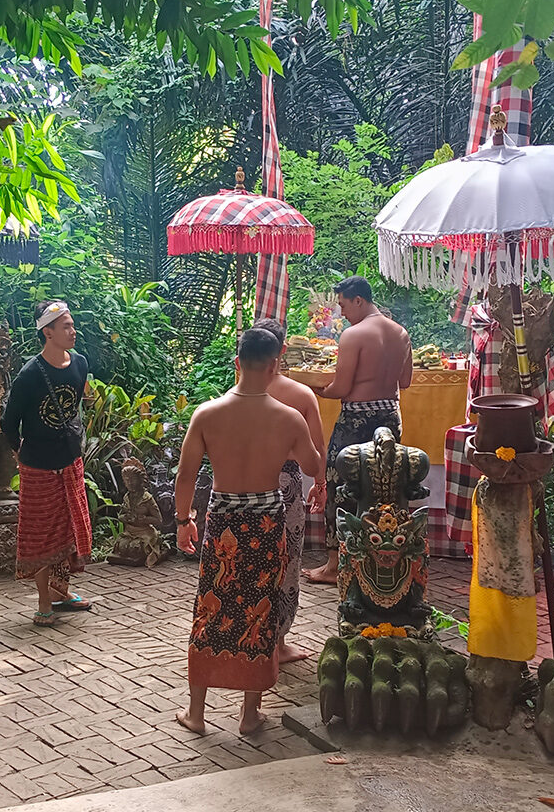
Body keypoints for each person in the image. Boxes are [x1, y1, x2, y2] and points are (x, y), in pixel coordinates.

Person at [175, 327, 323, 736]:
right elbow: (312, 466)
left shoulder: (206, 414)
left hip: (222, 518)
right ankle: (249, 714)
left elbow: (186, 475)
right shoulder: (289, 417)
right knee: (261, 609)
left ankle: (197, 713)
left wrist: (183, 520)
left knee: (211, 607)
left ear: (236, 362)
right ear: (275, 364)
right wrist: (289, 444)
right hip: (266, 521)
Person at [302, 276, 413, 585]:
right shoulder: (402, 334)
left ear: (358, 301)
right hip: (390, 418)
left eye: (343, 305)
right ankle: (379, 558)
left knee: (340, 487)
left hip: (356, 421)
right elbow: (404, 382)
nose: (341, 313)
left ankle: (335, 564)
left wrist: (314, 387)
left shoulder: (354, 335)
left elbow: (340, 388)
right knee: (384, 487)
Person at [0, 300, 93, 627]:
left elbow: (76, 408)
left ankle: (60, 590)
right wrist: (19, 453)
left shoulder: (80, 364)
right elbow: (9, 423)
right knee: (40, 534)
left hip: (70, 460)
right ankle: (43, 601)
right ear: (47, 332)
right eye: (65, 326)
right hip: (38, 467)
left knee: (70, 528)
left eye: (71, 324)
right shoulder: (29, 376)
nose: (72, 330)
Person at [252, 317, 326, 664]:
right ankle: (278, 643)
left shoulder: (235, 395)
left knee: (251, 561)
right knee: (286, 561)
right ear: (281, 352)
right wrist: (321, 485)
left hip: (244, 488)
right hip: (285, 486)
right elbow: (316, 455)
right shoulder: (300, 396)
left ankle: (250, 633)